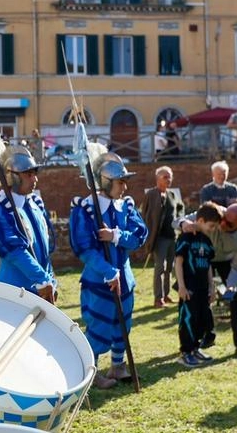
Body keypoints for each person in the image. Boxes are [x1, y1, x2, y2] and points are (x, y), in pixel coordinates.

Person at [69, 153, 148, 388]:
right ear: (105, 182)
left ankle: (117, 366)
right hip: (98, 280)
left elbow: (139, 236)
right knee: (99, 326)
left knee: (122, 326)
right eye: (120, 181)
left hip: (126, 278)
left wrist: (115, 235)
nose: (125, 186)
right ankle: (89, 373)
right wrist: (106, 271)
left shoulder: (126, 206)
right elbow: (83, 247)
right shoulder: (85, 209)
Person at [177, 203, 237, 360]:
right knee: (199, 298)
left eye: (229, 224)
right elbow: (179, 220)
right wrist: (183, 223)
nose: (222, 224)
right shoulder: (217, 214)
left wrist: (231, 286)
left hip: (226, 261)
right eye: (224, 219)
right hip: (202, 257)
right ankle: (202, 339)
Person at [0, 143, 57, 303]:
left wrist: (50, 279)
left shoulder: (35, 203)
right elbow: (13, 250)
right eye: (28, 174)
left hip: (42, 288)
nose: (35, 179)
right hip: (14, 291)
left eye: (35, 173)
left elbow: (44, 250)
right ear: (12, 176)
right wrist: (41, 279)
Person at [175, 203, 222, 368]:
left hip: (203, 289)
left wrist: (212, 287)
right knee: (188, 319)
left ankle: (195, 349)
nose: (213, 229)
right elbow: (178, 262)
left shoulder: (207, 241)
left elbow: (209, 265)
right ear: (200, 220)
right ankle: (185, 352)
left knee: (202, 319)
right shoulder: (186, 237)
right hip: (189, 288)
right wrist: (181, 286)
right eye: (211, 226)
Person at [140, 165, 185, 307]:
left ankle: (166, 295)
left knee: (169, 268)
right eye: (165, 177)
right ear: (158, 178)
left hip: (172, 236)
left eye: (170, 176)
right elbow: (144, 215)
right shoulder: (151, 194)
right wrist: (148, 235)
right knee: (160, 267)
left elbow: (179, 210)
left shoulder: (172, 195)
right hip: (158, 238)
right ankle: (157, 298)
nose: (168, 179)